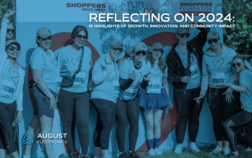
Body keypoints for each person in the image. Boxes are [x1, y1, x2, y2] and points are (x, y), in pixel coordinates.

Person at [166, 23, 209, 153]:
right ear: (177, 36)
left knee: (194, 116)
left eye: (187, 35)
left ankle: (193, 144)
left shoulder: (194, 45)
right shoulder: (172, 55)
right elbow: (169, 74)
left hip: (198, 89)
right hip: (182, 90)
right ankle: (179, 145)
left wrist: (195, 23)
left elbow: (206, 31)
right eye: (182, 35)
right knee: (183, 116)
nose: (185, 37)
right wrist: (180, 79)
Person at [194, 31, 239, 156]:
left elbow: (235, 72)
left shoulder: (230, 52)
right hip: (213, 91)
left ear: (219, 40)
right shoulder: (205, 56)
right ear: (207, 42)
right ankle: (219, 147)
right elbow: (205, 75)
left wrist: (230, 89)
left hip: (228, 90)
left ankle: (228, 146)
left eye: (215, 40)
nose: (213, 43)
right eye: (210, 41)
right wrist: (203, 93)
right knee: (216, 119)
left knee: (227, 119)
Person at [22, 27, 61, 158]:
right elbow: (38, 78)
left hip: (50, 92)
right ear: (38, 40)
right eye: (44, 38)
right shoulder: (38, 54)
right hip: (44, 93)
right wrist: (50, 96)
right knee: (47, 129)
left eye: (49, 37)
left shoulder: (50, 52)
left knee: (34, 124)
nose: (47, 40)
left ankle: (26, 155)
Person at [57, 25, 92, 158]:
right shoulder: (62, 52)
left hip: (82, 93)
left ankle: (84, 154)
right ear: (73, 36)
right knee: (67, 122)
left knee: (83, 122)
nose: (82, 39)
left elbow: (89, 66)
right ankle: (71, 152)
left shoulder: (87, 51)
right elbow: (57, 73)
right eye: (79, 36)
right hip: (65, 92)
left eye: (84, 37)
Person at [116, 42, 151, 158]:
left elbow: (144, 87)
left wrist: (146, 81)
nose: (141, 54)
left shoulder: (147, 64)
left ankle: (132, 151)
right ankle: (122, 152)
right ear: (134, 53)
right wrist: (130, 80)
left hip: (132, 96)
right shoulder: (125, 64)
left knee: (134, 122)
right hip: (119, 96)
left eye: (143, 52)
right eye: (138, 52)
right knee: (122, 122)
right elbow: (122, 86)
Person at [138, 42, 173, 156]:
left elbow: (165, 83)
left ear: (162, 53)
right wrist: (147, 48)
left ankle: (156, 148)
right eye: (155, 50)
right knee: (150, 124)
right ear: (151, 51)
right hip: (147, 95)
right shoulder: (145, 63)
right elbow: (131, 52)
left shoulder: (164, 66)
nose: (157, 53)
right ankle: (150, 149)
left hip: (159, 96)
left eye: (160, 51)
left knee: (157, 124)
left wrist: (168, 100)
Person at [90, 39, 123, 158]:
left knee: (101, 126)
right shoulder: (102, 60)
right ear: (110, 48)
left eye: (120, 50)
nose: (117, 51)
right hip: (102, 97)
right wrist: (107, 70)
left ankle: (98, 155)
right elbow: (95, 79)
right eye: (115, 49)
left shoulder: (114, 62)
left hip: (110, 98)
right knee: (108, 125)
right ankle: (106, 155)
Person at [0, 8, 23, 158]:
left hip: (11, 104)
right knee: (8, 130)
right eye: (11, 48)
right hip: (0, 102)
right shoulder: (2, 60)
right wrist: (5, 19)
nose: (14, 50)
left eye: (17, 48)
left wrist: (19, 110)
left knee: (3, 132)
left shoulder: (21, 70)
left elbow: (19, 91)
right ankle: (16, 156)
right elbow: (2, 38)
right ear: (6, 49)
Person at [219, 55, 252, 157]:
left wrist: (229, 85)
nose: (236, 66)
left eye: (238, 64)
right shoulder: (247, 73)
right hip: (248, 109)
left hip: (249, 110)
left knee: (227, 125)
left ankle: (234, 153)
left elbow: (242, 89)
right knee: (237, 129)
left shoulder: (244, 73)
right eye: (234, 65)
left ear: (244, 64)